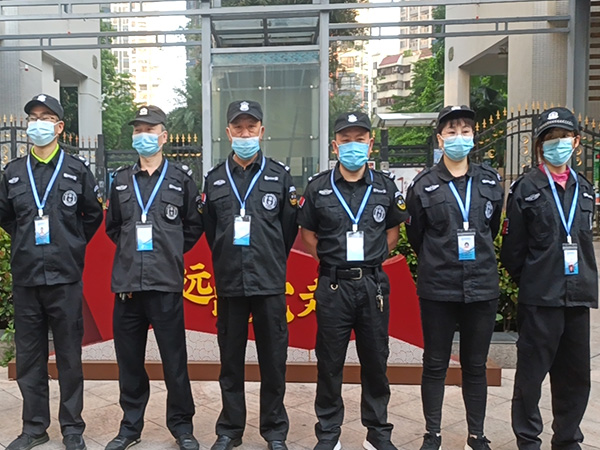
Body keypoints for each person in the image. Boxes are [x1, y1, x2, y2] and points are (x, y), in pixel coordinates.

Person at [298, 111, 408, 450]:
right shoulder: (318, 188)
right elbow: (308, 235)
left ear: (370, 144)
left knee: (375, 361)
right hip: (333, 286)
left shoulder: (385, 187)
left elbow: (392, 233)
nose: (352, 146)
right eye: (345, 140)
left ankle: (377, 434)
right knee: (329, 363)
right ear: (335, 146)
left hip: (373, 286)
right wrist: (334, 262)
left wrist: (369, 259)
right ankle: (329, 434)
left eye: (359, 140)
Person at [0, 94, 103, 450]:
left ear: (59, 127)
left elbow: (93, 215)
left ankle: (72, 427)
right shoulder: (13, 172)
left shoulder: (77, 170)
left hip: (65, 278)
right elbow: (6, 217)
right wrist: (27, 242)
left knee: (70, 356)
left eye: (45, 117)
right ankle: (34, 427)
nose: (37, 123)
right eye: (33, 117)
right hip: (27, 277)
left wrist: (70, 244)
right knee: (30, 357)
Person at [104, 105, 204, 450]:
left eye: (150, 130)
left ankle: (182, 427)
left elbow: (193, 227)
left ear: (163, 137)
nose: (143, 135)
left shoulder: (181, 178)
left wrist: (169, 250)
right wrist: (132, 252)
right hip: (128, 285)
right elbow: (113, 227)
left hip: (165, 284)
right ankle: (130, 427)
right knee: (129, 362)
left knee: (174, 361)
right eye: (138, 130)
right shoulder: (120, 180)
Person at [405, 105, 504, 450]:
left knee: (475, 365)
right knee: (435, 363)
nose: (459, 137)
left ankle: (476, 435)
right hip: (438, 287)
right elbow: (417, 235)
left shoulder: (490, 181)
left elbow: (492, 227)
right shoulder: (423, 185)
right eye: (451, 131)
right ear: (440, 139)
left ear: (473, 137)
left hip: (482, 286)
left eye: (465, 131)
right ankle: (432, 433)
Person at [202, 100, 298, 450]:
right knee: (230, 362)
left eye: (251, 127)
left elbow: (287, 230)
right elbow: (211, 230)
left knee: (273, 361)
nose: (245, 134)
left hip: (269, 283)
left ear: (261, 131)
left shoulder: (279, 176)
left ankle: (274, 431)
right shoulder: (214, 179)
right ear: (228, 133)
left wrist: (268, 257)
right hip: (230, 284)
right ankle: (230, 429)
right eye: (238, 128)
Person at [500, 107, 598, 450]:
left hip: (578, 296)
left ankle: (568, 439)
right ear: (540, 145)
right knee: (531, 376)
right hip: (540, 298)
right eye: (550, 138)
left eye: (563, 137)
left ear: (576, 141)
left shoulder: (585, 190)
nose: (557, 144)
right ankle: (528, 440)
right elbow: (512, 251)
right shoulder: (525, 188)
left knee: (575, 377)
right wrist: (535, 279)